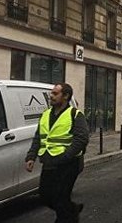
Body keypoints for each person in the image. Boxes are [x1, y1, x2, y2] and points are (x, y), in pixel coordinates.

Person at [25, 83, 89, 222]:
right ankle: (72, 210)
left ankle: (67, 217)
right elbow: (39, 137)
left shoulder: (75, 115)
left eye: (55, 93)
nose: (51, 96)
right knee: (45, 196)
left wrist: (66, 155)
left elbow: (82, 139)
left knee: (60, 198)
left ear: (65, 96)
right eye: (51, 93)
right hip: (49, 162)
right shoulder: (46, 114)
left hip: (69, 164)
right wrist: (31, 156)